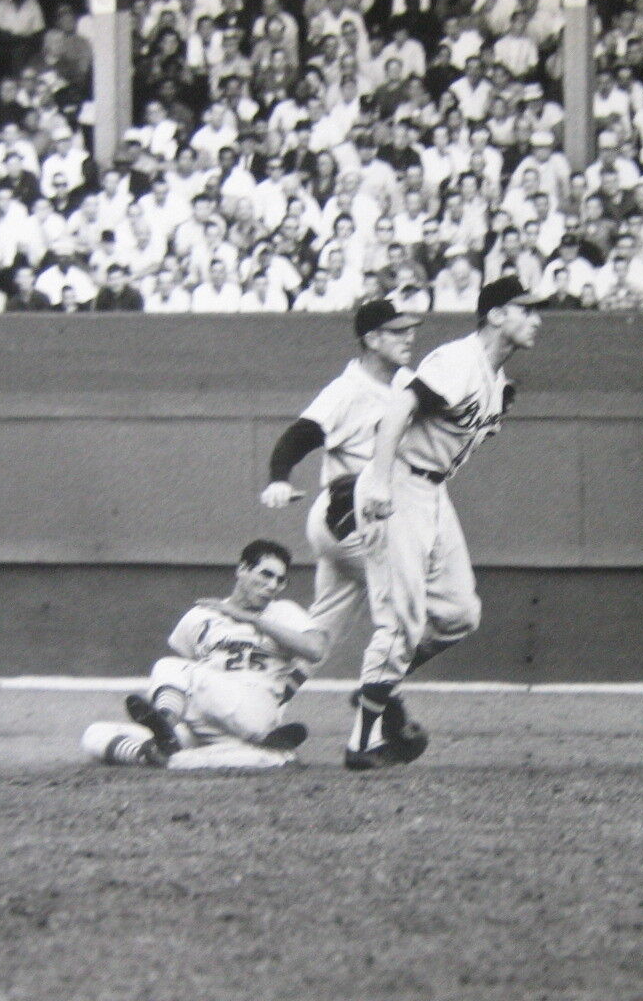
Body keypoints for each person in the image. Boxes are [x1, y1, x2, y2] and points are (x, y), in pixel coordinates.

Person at [348, 276, 543, 770]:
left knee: (458, 613)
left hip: (433, 490)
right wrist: (377, 480)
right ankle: (362, 744)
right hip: (399, 483)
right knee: (402, 620)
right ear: (496, 314)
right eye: (525, 309)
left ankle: (379, 686)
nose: (536, 318)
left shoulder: (498, 383)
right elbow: (398, 410)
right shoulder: (459, 361)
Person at [261, 299, 424, 729]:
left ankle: (263, 702)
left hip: (349, 520)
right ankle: (382, 701)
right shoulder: (347, 390)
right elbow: (302, 433)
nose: (409, 337)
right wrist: (279, 476)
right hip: (351, 514)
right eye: (396, 331)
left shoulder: (405, 381)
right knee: (412, 603)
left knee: (320, 633)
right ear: (371, 340)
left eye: (410, 329)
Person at [80, 539, 320, 771]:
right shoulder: (202, 615)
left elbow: (314, 650)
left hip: (254, 708)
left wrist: (251, 620)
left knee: (171, 667)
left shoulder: (283, 612)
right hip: (209, 718)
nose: (273, 585)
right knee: (95, 734)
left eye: (280, 580)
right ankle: (156, 754)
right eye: (266, 574)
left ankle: (165, 723)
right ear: (243, 569)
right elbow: (189, 674)